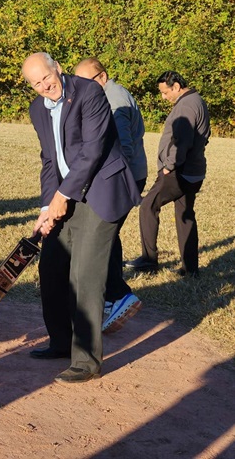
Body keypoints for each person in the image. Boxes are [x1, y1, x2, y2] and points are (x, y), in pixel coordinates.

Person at [22, 52, 141, 383]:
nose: (45, 87)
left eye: (47, 78)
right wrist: (48, 205)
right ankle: (61, 343)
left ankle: (86, 361)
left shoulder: (89, 93)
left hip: (102, 192)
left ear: (56, 69)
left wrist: (63, 196)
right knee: (52, 268)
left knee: (84, 275)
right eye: (36, 84)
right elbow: (49, 160)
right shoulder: (37, 110)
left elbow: (92, 152)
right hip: (66, 195)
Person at [74, 58, 146, 333]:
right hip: (124, 174)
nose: (82, 87)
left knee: (103, 235)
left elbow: (124, 146)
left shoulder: (113, 99)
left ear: (102, 77)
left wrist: (115, 181)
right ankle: (111, 297)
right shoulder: (109, 94)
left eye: (87, 81)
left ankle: (119, 295)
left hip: (123, 176)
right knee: (108, 234)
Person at [125, 71, 210, 277]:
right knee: (184, 215)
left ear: (177, 87)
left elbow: (183, 142)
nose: (164, 97)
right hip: (194, 171)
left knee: (147, 206)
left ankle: (148, 260)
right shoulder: (197, 100)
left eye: (165, 92)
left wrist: (169, 166)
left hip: (179, 172)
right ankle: (190, 269)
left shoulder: (186, 106)